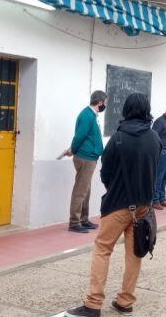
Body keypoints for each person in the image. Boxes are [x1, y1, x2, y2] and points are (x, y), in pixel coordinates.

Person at [66, 93, 161, 317]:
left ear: (126, 110)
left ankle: (93, 304)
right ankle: (125, 301)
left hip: (117, 205)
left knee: (102, 249)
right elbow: (155, 169)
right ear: (146, 110)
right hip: (143, 207)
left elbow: (106, 172)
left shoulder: (118, 138)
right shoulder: (155, 137)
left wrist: (116, 189)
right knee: (135, 253)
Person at [65, 90, 107, 234]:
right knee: (80, 190)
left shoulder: (91, 115)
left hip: (90, 157)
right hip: (85, 157)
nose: (105, 106)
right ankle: (74, 222)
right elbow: (79, 136)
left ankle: (84, 219)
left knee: (86, 190)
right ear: (100, 102)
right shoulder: (87, 115)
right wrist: (73, 149)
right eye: (105, 103)